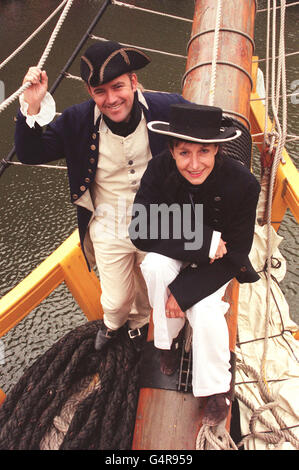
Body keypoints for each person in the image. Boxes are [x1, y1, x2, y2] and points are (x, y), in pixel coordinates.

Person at [14, 40, 188, 351]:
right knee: (117, 301)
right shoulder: (77, 120)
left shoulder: (167, 108)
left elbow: (209, 136)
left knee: (159, 289)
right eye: (100, 92)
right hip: (108, 222)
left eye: (118, 87)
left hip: (159, 219)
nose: (111, 99)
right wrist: (32, 106)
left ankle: (150, 334)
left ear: (133, 82)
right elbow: (29, 152)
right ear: (90, 93)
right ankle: (114, 325)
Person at [129, 102, 261, 425]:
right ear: (172, 150)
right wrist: (205, 242)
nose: (194, 164)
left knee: (203, 311)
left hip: (221, 262)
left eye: (204, 151)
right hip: (195, 248)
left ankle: (217, 387)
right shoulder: (159, 170)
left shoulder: (243, 185)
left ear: (217, 149)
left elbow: (237, 254)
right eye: (184, 152)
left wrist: (183, 291)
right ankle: (167, 341)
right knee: (156, 267)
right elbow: (140, 231)